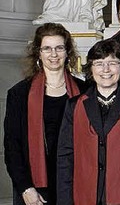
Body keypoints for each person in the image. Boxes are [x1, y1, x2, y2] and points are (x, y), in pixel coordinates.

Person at [57, 39, 120, 204]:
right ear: (91, 68)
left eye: (112, 63)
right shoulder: (74, 106)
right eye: (99, 63)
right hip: (84, 197)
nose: (106, 70)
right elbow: (65, 158)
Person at [4, 23, 85, 205]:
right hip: (34, 189)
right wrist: (25, 188)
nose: (54, 54)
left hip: (76, 184)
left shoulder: (85, 91)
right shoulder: (19, 94)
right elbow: (12, 147)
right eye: (47, 48)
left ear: (67, 51)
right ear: (38, 53)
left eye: (59, 48)